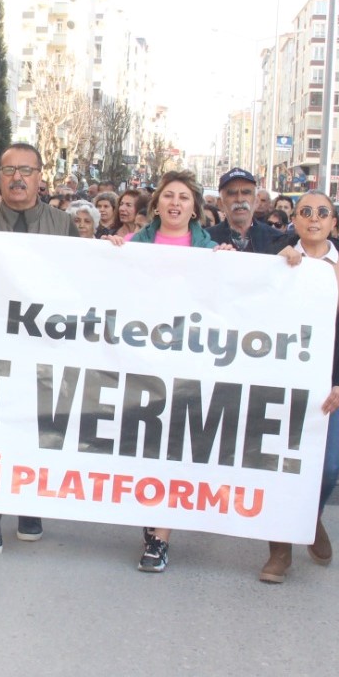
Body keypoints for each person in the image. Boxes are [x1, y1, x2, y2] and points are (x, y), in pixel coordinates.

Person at [0, 142, 76, 557]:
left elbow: (82, 283)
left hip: (43, 350)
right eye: (9, 171)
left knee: (35, 428)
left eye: (27, 170)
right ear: (0, 176)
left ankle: (29, 505)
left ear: (41, 176)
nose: (18, 178)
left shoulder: (63, 224)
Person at [114, 171, 216, 573]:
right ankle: (152, 513)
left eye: (184, 198)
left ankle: (160, 539)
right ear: (155, 205)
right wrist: (109, 254)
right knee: (145, 446)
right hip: (141, 364)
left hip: (189, 365)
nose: (176, 203)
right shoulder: (135, 245)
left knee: (176, 446)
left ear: (195, 208)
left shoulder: (212, 250)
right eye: (168, 196)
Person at [263, 191, 339, 582]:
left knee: (328, 468)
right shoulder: (275, 252)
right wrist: (274, 269)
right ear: (295, 220)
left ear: (334, 222)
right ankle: (280, 552)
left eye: (323, 213)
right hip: (279, 379)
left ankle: (310, 517)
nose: (313, 219)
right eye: (305, 212)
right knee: (279, 467)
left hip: (325, 385)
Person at [207, 169, 282, 255]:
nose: (239, 199)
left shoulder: (276, 239)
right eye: (232, 193)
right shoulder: (206, 239)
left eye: (246, 193)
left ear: (256, 201)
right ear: (220, 204)